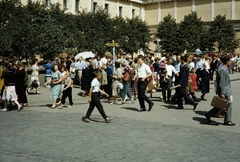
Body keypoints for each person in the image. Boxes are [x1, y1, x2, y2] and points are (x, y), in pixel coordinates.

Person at [205, 56, 235, 126]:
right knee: (227, 105)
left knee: (221, 105)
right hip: (225, 91)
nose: (231, 62)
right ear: (227, 61)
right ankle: (227, 120)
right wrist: (222, 93)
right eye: (230, 61)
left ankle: (209, 114)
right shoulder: (222, 70)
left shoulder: (224, 69)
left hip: (226, 90)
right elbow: (222, 82)